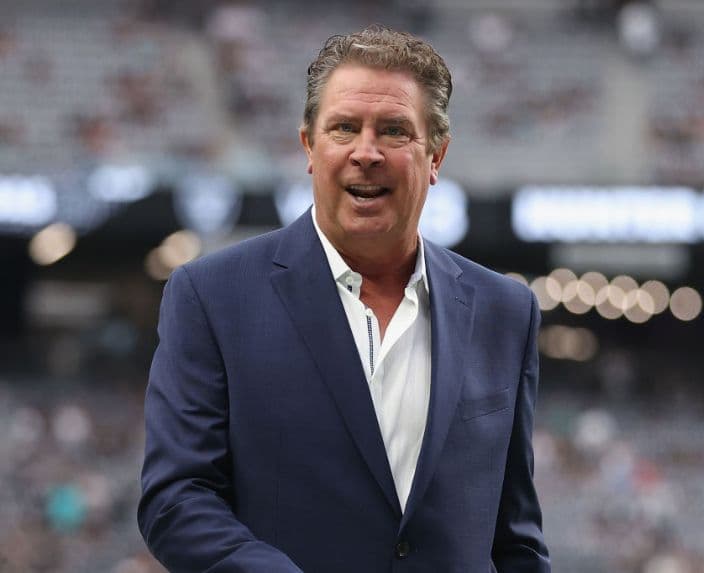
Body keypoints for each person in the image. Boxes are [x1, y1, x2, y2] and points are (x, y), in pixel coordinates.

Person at [138, 26, 550, 572]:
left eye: (395, 131)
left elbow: (514, 539)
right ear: (309, 146)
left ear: (436, 155)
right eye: (344, 128)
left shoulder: (506, 311)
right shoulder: (212, 296)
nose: (366, 152)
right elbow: (175, 499)